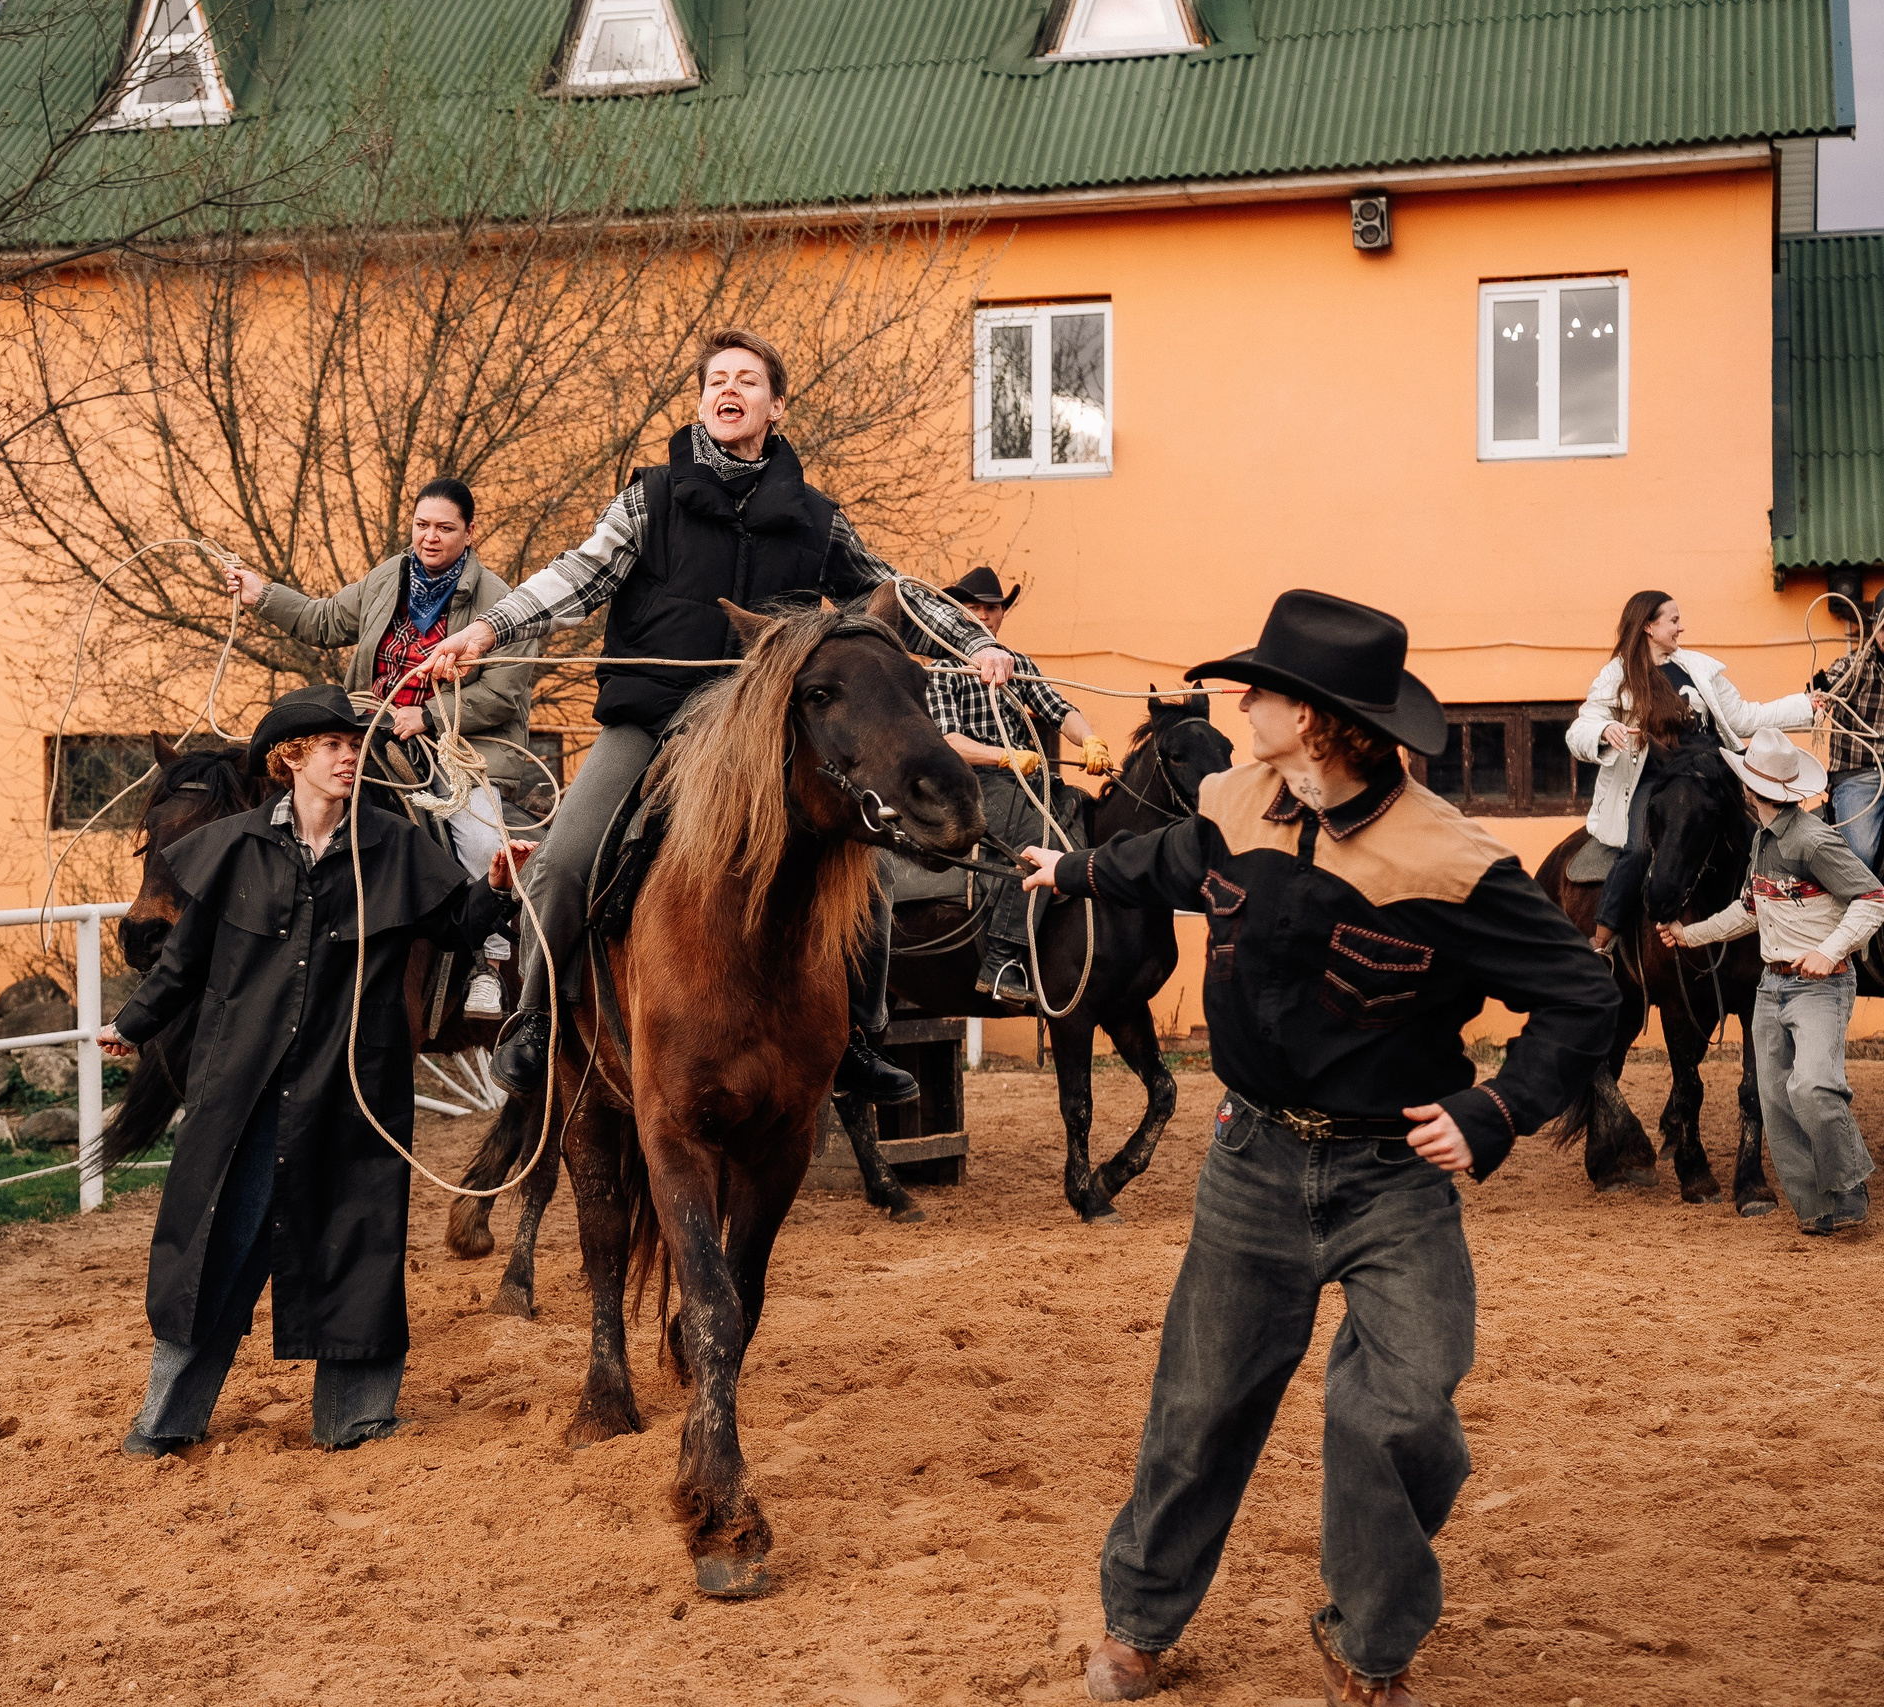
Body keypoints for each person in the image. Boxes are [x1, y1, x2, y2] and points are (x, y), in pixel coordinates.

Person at [1018, 591, 1617, 1706]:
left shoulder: (1450, 860)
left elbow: (1586, 995)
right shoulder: (1241, 794)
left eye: (1264, 690)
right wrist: (1069, 872)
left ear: (1320, 721)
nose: (1242, 701)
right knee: (1198, 1407)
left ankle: (1367, 1639)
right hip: (1249, 1166)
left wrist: (1495, 1112)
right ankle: (1141, 1623)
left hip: (1393, 1180)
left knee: (1403, 1414)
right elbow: (1173, 858)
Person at [425, 328, 1017, 1100]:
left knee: (862, 877)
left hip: (765, 739)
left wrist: (976, 642)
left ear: (775, 403)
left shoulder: (814, 516)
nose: (727, 390)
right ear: (703, 400)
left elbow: (896, 590)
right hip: (651, 722)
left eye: (746, 379)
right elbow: (575, 577)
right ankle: (534, 1018)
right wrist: (485, 628)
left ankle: (861, 1040)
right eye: (715, 381)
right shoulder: (652, 497)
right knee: (567, 859)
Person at [99, 685, 534, 1455]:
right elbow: (184, 961)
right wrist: (132, 1024)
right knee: (213, 1247)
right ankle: (166, 1419)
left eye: (355, 745)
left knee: (355, 1244)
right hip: (243, 1089)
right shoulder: (233, 846)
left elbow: (457, 926)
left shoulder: (392, 847)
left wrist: (496, 888)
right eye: (333, 744)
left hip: (350, 1091)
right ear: (291, 757)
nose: (348, 756)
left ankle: (355, 1416)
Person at [225, 478, 535, 1017]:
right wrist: (262, 594)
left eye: (444, 528)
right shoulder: (385, 578)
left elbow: (505, 692)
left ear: (470, 532)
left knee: (482, 834)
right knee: (285, 792)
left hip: (456, 746)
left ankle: (487, 961)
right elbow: (323, 620)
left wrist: (430, 716)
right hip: (369, 729)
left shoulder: (503, 602)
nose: (429, 538)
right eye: (421, 526)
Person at [1656, 727, 1882, 1237]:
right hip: (1770, 989)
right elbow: (1749, 910)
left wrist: (1829, 951)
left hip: (1819, 988)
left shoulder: (1812, 839)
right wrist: (1689, 935)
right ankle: (1815, 1210)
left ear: (1749, 789)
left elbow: (1872, 897)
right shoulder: (1761, 840)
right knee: (1776, 1101)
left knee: (1814, 1087)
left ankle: (1849, 1187)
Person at [1568, 591, 1814, 956]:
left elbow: (1745, 718)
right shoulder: (1617, 674)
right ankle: (1604, 936)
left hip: (1714, 772)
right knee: (1635, 850)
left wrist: (1805, 705)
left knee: (1771, 832)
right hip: (1657, 779)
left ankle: (1795, 918)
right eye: (1673, 620)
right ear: (1649, 626)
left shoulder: (1699, 668)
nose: (1681, 627)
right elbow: (1580, 728)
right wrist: (1604, 732)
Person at [924, 565, 1111, 999]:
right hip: (970, 783)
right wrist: (1003, 757)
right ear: (958, 612)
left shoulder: (1018, 665)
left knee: (1079, 806)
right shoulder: (942, 670)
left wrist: (1091, 740)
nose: (983, 615)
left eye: (992, 607)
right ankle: (1003, 959)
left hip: (1026, 777)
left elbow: (1059, 709)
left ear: (1002, 613)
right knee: (1040, 831)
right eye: (972, 606)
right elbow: (947, 742)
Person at [1813, 593, 1884, 874]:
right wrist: (1821, 695)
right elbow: (1832, 683)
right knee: (1860, 854)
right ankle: (1857, 913)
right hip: (1859, 775)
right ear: (1875, 628)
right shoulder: (1857, 665)